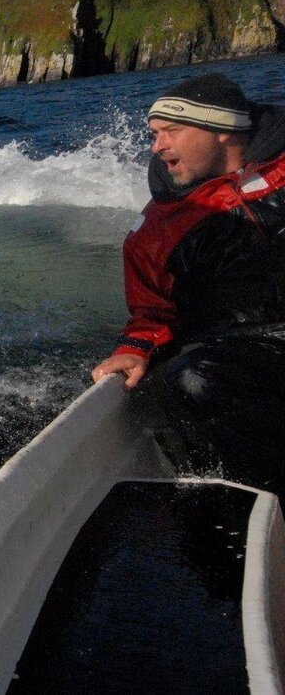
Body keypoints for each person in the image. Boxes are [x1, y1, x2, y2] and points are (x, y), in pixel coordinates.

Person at [91, 72, 285, 491]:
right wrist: (135, 347)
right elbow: (151, 310)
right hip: (252, 347)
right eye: (154, 133)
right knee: (192, 381)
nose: (157, 146)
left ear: (221, 131)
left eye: (171, 132)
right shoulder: (158, 228)